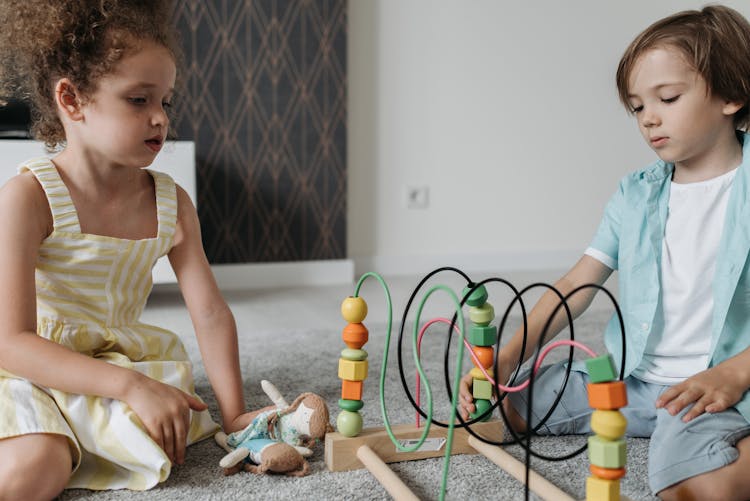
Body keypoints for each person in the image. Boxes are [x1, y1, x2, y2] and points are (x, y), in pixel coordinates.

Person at [459, 5, 750, 500]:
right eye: (637, 107)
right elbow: (574, 286)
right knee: (503, 408)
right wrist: (505, 360)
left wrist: (736, 372)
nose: (649, 118)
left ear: (732, 94)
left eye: (668, 97)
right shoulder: (635, 194)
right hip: (636, 380)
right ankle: (654, 420)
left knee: (693, 484)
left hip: (726, 380)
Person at [0, 1, 258, 498]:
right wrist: (130, 387)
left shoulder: (171, 203)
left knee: (165, 435)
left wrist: (236, 414)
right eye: (139, 100)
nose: (160, 118)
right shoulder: (26, 199)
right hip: (26, 365)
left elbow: (209, 314)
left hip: (110, 358)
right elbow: (11, 341)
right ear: (71, 101)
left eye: (166, 101)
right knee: (35, 471)